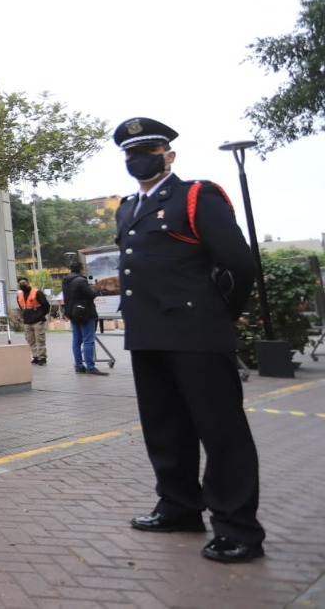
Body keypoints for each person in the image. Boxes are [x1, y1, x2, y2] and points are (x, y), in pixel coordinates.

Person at [113, 117, 264, 563]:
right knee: (164, 427)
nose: (140, 159)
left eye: (150, 150)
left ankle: (237, 528)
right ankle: (178, 506)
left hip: (197, 334)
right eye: (132, 154)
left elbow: (238, 263)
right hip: (147, 335)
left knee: (222, 432)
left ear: (169, 155)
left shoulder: (197, 195)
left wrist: (218, 317)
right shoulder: (127, 207)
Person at [62, 262, 107, 375]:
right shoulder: (81, 281)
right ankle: (90, 367)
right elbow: (91, 294)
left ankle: (79, 365)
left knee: (76, 340)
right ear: (81, 269)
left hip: (73, 313)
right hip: (85, 313)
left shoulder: (66, 280)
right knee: (88, 340)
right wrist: (95, 289)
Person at [17, 278, 51, 366]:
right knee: (30, 340)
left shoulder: (37, 292)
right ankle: (35, 357)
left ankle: (42, 358)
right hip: (27, 321)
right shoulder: (19, 296)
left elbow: (46, 305)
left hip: (37, 321)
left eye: (24, 282)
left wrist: (40, 315)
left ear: (28, 283)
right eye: (20, 283)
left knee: (40, 340)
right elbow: (22, 308)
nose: (22, 284)